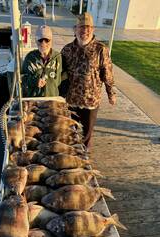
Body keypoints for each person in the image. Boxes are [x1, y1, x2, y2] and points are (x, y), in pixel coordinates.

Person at [61, 12, 116, 151]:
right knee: (69, 132)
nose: (84, 30)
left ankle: (84, 158)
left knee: (87, 135)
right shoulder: (67, 49)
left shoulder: (101, 49)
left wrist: (111, 94)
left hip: (90, 101)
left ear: (93, 29)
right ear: (75, 29)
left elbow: (107, 74)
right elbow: (58, 73)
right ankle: (71, 156)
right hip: (71, 99)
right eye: (81, 27)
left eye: (88, 27)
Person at [22, 25, 62, 97]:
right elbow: (22, 78)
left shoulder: (58, 57)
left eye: (47, 40)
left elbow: (61, 78)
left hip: (52, 99)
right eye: (40, 40)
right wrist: (34, 81)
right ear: (36, 41)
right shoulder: (29, 57)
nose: (43, 43)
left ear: (51, 40)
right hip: (34, 100)